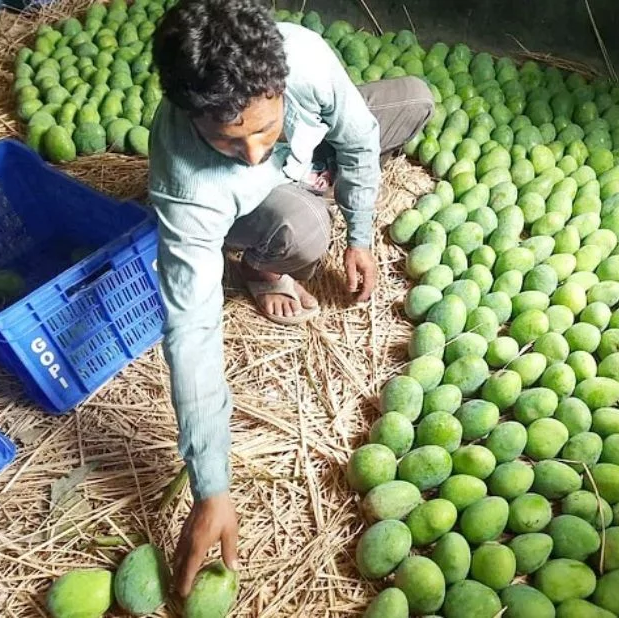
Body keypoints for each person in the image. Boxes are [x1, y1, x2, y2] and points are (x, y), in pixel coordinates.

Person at [147, 0, 433, 596]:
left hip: (305, 147)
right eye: (229, 140)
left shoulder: (300, 54)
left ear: (277, 85)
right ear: (191, 116)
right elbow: (192, 330)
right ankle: (260, 266)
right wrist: (211, 486)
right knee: (305, 233)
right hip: (247, 207)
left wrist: (362, 234)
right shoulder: (186, 185)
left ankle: (308, 175)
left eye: (262, 129)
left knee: (414, 100)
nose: (251, 150)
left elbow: (358, 139)